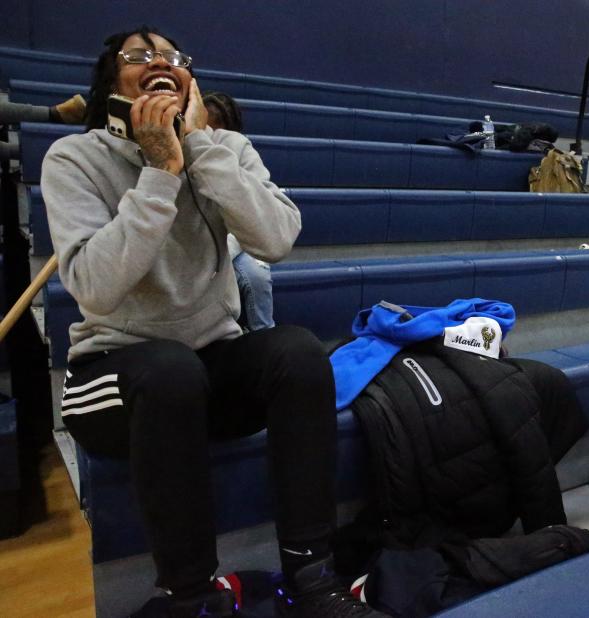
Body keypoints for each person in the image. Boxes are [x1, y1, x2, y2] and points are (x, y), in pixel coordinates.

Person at [40, 26, 382, 617]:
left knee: (298, 352)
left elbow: (276, 240)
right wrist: (160, 173)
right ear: (109, 80)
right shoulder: (74, 158)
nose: (160, 63)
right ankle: (189, 595)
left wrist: (198, 148)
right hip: (114, 380)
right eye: (140, 56)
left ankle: (312, 578)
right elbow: (94, 287)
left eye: (172, 57)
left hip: (205, 369)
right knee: (170, 371)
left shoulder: (224, 148)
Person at [202, 90, 275, 331]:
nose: (211, 134)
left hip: (233, 244)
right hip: (197, 244)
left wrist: (223, 253)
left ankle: (264, 333)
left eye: (218, 128)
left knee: (255, 275)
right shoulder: (184, 150)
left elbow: (254, 218)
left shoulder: (242, 155)